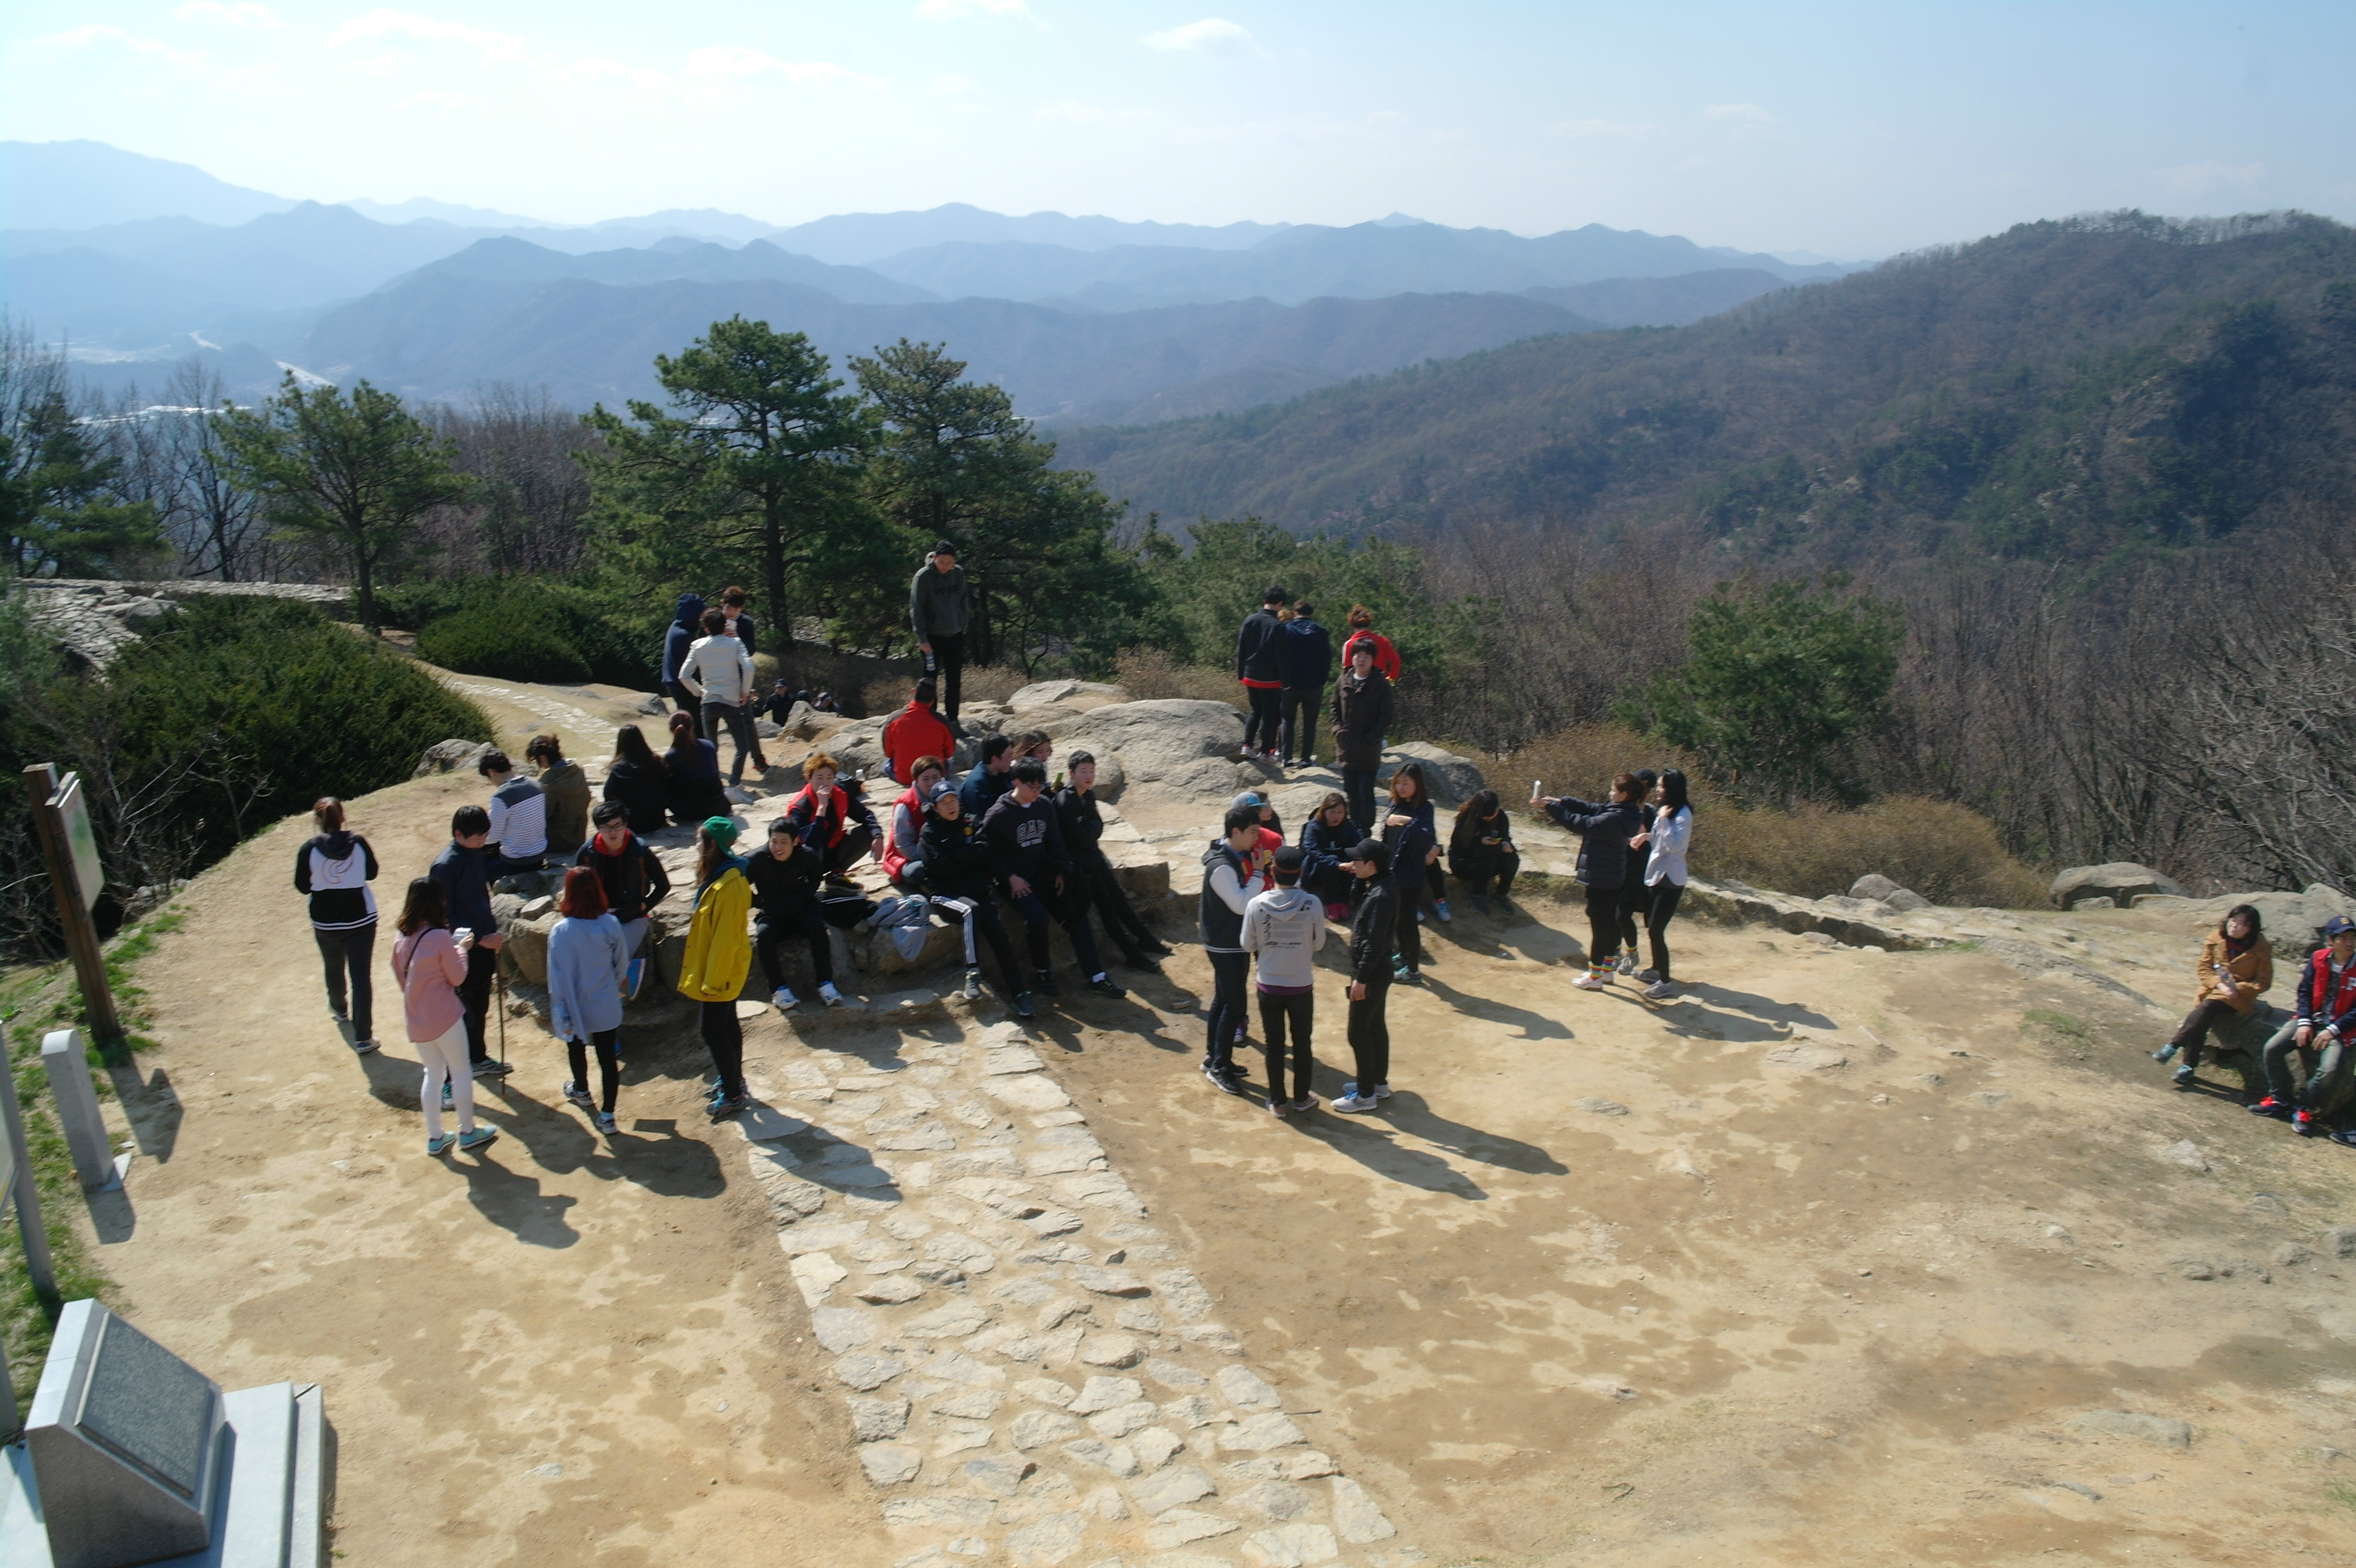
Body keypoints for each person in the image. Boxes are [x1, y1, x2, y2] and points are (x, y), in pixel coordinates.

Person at [982, 758, 1124, 1000]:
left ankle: (1097, 978)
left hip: (1045, 875)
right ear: (1017, 783)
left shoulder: (1045, 806)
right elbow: (986, 852)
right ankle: (1042, 972)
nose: (1038, 793)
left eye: (1040, 787)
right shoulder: (998, 815)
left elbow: (1056, 843)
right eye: (1032, 788)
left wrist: (1060, 869)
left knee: (1078, 916)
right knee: (1037, 918)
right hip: (1016, 882)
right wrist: (1009, 878)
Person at [389, 876, 497, 1157]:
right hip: (446, 1017)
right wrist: (462, 949)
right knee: (461, 1072)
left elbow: (402, 978)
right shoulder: (439, 937)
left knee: (432, 1075)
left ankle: (436, 1137)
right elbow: (459, 977)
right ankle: (468, 1131)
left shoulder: (401, 937)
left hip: (416, 1018)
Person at [1054, 751, 1169, 971]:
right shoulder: (1065, 801)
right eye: (1083, 772)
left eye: (1092, 771)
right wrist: (1090, 830)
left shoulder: (1087, 795)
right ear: (1071, 774)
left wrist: (1088, 829)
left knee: (1119, 899)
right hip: (1081, 866)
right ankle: (1133, 955)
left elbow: (1097, 827)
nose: (1089, 776)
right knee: (1107, 909)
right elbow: (1079, 837)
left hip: (1094, 857)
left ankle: (1145, 939)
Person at [920, 788, 1028, 1014]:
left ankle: (1020, 994)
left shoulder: (971, 821)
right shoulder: (929, 832)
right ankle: (973, 973)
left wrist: (956, 854)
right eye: (944, 802)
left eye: (953, 800)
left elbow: (985, 850)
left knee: (1000, 937)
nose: (951, 806)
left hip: (977, 890)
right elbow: (941, 868)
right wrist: (968, 855)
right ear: (935, 807)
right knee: (971, 911)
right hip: (946, 895)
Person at [678, 817, 754, 1120]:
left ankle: (734, 1094)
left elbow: (725, 940)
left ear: (713, 846)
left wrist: (713, 982)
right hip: (717, 970)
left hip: (720, 973)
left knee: (711, 1030)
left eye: (700, 840)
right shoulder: (721, 878)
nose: (696, 846)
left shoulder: (730, 886)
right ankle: (733, 1079)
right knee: (727, 1025)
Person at [1541, 774, 1647, 990]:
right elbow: (1592, 808)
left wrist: (1554, 810)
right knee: (1608, 923)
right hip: (1611, 876)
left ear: (1624, 794)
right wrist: (1561, 802)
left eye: (1613, 791)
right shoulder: (1625, 812)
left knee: (1600, 927)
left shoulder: (1616, 818)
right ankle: (1606, 972)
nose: (1610, 794)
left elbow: (1582, 824)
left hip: (1602, 877)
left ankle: (1595, 975)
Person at [427, 805, 511, 1080]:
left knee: (480, 1004)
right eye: (476, 838)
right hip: (463, 949)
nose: (482, 843)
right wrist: (477, 942)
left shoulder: (475, 855)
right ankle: (460, 1065)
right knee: (464, 1008)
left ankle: (478, 1057)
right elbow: (442, 916)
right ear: (458, 834)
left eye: (485, 837)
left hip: (486, 941)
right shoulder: (445, 865)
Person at [2252, 914, 2356, 1134]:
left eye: (2353, 937)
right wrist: (2305, 1022)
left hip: (2341, 1030)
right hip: (2312, 1020)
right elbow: (2305, 992)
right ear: (2330, 941)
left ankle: (2304, 1107)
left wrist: (2332, 1030)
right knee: (2273, 1047)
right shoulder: (2319, 958)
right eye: (2343, 938)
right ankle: (2280, 1099)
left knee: (2328, 1070)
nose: (2349, 943)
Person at [1243, 846, 1327, 1116]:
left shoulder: (1256, 904)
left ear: (1272, 871)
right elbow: (1320, 943)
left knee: (1274, 1044)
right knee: (1303, 1042)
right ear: (1300, 873)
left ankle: (1278, 1101)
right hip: (1301, 984)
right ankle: (1302, 1098)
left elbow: (1247, 944)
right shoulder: (1313, 903)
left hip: (1268, 983)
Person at [546, 866, 630, 1137]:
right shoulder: (610, 924)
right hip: (605, 1002)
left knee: (576, 1047)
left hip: (573, 1003)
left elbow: (555, 975)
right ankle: (608, 1115)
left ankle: (581, 1089)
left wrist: (561, 1007)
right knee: (608, 1059)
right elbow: (621, 965)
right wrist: (612, 986)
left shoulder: (560, 932)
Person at [295, 795, 380, 1054]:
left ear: (318, 821)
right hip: (361, 919)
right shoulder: (359, 843)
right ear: (343, 817)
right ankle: (364, 1038)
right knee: (361, 977)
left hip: (325, 920)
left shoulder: (309, 849)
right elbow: (372, 873)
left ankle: (340, 1009)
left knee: (333, 966)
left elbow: (302, 886)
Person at [2156, 904, 2273, 1089]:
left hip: (2238, 997)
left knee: (2207, 1008)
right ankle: (2187, 1067)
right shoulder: (2216, 938)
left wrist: (2238, 987)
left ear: (2251, 929)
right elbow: (2204, 969)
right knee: (2204, 1013)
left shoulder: (2261, 948)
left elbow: (2264, 982)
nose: (2234, 926)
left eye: (2242, 924)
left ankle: (2175, 1046)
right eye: (2232, 921)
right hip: (2213, 989)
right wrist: (2219, 984)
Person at [1200, 803, 1273, 1094]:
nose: (1258, 837)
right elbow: (1241, 905)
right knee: (1235, 1006)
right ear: (1236, 832)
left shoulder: (1230, 856)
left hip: (1229, 942)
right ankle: (1220, 1067)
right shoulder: (1221, 867)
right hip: (1225, 944)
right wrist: (1257, 874)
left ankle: (1215, 1058)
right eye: (1253, 832)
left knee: (1223, 1001)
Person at [576, 800, 670, 1000]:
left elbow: (663, 886)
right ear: (598, 829)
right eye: (606, 827)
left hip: (632, 916)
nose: (613, 832)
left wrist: (644, 906)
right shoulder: (587, 854)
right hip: (598, 914)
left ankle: (608, 1000)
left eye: (617, 825)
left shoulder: (640, 851)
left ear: (626, 825)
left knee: (614, 960)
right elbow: (578, 890)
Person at [748, 814, 843, 1010]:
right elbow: (739, 885)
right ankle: (779, 989)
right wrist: (759, 902)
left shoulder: (807, 856)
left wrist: (803, 897)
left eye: (784, 842)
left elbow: (816, 878)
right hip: (773, 914)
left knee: (817, 927)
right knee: (764, 936)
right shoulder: (757, 859)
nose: (778, 848)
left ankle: (825, 983)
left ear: (796, 841)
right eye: (774, 841)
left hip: (801, 910)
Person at [1332, 839, 1398, 1115]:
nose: (1352, 863)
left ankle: (1365, 1095)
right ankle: (1378, 1083)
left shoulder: (1381, 897)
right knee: (1374, 1027)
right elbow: (1357, 905)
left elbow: (1373, 943)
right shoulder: (1382, 885)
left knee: (1358, 1032)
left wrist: (1361, 979)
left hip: (1371, 974)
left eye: (1357, 861)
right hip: (1379, 972)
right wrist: (1358, 879)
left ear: (1371, 865)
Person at [679, 607, 764, 783]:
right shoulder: (736, 644)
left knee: (711, 747)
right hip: (731, 700)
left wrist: (700, 692)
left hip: (709, 700)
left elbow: (684, 676)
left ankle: (714, 782)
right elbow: (749, 668)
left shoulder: (698, 645)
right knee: (742, 747)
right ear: (725, 625)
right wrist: (744, 692)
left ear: (706, 628)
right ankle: (734, 784)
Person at [1629, 769, 1694, 1000]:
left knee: (1656, 929)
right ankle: (1655, 970)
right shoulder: (1667, 811)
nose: (1658, 790)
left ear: (1672, 789)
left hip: (1671, 880)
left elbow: (1676, 845)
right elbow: (1659, 839)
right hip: (1657, 875)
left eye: (1662, 786)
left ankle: (1666, 983)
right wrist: (1646, 837)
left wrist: (1664, 819)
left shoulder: (1682, 815)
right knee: (1650, 923)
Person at [1381, 761, 1442, 982]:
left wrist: (1408, 822)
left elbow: (1428, 837)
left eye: (1406, 783)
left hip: (1412, 874)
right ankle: (1404, 955)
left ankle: (1414, 970)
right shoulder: (1395, 804)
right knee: (1398, 919)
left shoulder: (1425, 808)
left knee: (1408, 921)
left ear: (1418, 784)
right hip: (1393, 870)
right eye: (1398, 783)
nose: (1401, 788)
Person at [780, 752, 880, 883]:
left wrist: (878, 836)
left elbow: (865, 814)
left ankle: (836, 875)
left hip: (832, 849)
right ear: (809, 779)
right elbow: (811, 843)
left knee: (867, 833)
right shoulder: (799, 807)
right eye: (820, 778)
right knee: (813, 849)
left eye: (830, 778)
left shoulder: (839, 793)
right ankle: (811, 882)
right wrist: (822, 808)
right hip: (807, 858)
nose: (825, 783)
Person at [1332, 641, 1394, 834]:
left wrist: (1374, 736)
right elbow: (1334, 706)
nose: (1362, 659)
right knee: (1351, 791)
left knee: (1365, 792)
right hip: (1347, 747)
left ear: (1373, 660)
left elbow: (1387, 714)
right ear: (1352, 658)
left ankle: (1365, 829)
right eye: (1358, 655)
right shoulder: (1344, 680)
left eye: (1367, 656)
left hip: (1368, 748)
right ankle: (1353, 826)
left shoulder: (1380, 684)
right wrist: (1337, 729)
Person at [912, 540, 971, 721]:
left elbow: (964, 600)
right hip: (932, 638)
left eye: (950, 562)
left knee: (954, 682)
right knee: (930, 682)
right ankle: (931, 719)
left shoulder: (958, 573)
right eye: (942, 562)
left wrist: (963, 625)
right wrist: (922, 638)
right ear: (935, 558)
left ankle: (953, 720)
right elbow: (916, 608)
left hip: (955, 635)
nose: (946, 566)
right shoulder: (923, 577)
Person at [1612, 769, 1661, 971]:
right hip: (1616, 866)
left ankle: (1632, 954)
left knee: (1623, 914)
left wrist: (1646, 835)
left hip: (1639, 871)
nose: (1644, 793)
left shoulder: (1651, 813)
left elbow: (1660, 841)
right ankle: (1614, 952)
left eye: (1648, 789)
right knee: (1612, 913)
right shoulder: (1621, 809)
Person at [1277, 599, 1334, 770]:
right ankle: (1306, 759)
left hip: (1290, 684)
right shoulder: (1321, 632)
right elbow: (1327, 659)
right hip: (1314, 685)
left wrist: (1283, 679)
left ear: (1295, 613)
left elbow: (1280, 657)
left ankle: (1287, 759)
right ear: (1311, 614)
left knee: (1288, 720)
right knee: (1310, 722)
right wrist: (1322, 680)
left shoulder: (1285, 630)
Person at [1234, 584, 1289, 760]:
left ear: (1264, 600)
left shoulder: (1249, 620)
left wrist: (1241, 672)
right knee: (1270, 715)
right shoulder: (1278, 626)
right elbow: (1281, 656)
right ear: (1281, 603)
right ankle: (1266, 752)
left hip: (1250, 675)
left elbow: (1241, 649)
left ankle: (1247, 745)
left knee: (1255, 711)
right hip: (1271, 679)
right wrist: (1286, 679)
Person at [1448, 789, 1519, 917]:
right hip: (1464, 863)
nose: (1490, 818)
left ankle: (1501, 894)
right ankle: (1478, 894)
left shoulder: (1501, 817)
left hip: (1489, 857)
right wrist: (1479, 842)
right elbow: (1459, 848)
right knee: (1489, 857)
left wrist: (1506, 843)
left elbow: (1504, 835)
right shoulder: (1466, 819)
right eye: (1486, 817)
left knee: (1512, 858)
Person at [881, 755, 949, 890]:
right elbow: (904, 845)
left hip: (940, 852)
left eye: (936, 777)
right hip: (909, 857)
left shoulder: (947, 796)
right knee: (917, 872)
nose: (931, 783)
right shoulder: (906, 805)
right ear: (916, 781)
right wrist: (932, 858)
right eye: (925, 779)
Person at [479, 749, 547, 879]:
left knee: (478, 865)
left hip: (515, 862)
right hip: (539, 855)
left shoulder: (500, 797)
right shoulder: (536, 784)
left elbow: (493, 837)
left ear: (491, 773)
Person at [527, 734, 592, 857]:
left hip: (557, 841)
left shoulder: (548, 783)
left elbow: (544, 814)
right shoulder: (577, 770)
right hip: (579, 833)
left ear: (543, 758)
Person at [1299, 792, 1360, 919]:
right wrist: (1337, 865)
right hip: (1318, 868)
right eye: (1332, 812)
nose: (1336, 816)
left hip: (1343, 865)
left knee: (1351, 861)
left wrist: (1353, 862)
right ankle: (1330, 903)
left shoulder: (1348, 826)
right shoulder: (1314, 826)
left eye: (1340, 812)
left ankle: (1343, 901)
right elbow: (1312, 850)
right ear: (1325, 811)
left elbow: (1358, 844)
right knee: (1332, 860)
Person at [883, 678, 957, 785]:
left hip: (905, 777)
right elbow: (949, 753)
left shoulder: (894, 719)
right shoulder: (942, 721)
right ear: (933, 700)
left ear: (913, 692)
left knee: (886, 765)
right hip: (935, 777)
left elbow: (889, 753)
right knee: (947, 764)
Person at [662, 711, 730, 825]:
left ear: (671, 731)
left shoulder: (670, 757)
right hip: (717, 807)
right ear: (692, 727)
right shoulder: (709, 746)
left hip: (687, 812)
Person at [602, 724, 669, 835]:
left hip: (631, 824)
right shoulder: (657, 763)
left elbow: (608, 797)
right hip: (656, 820)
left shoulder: (618, 770)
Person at [660, 593, 707, 734]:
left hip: (676, 683)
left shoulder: (677, 627)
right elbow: (698, 662)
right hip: (682, 686)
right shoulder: (683, 635)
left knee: (689, 725)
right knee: (696, 727)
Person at [958, 733, 1015, 821]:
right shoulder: (977, 784)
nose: (1012, 759)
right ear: (995, 759)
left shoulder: (1004, 773)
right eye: (1009, 756)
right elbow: (986, 818)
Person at [1341, 605, 1401, 682]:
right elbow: (1396, 661)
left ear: (1352, 626)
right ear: (1369, 624)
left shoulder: (1349, 644)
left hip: (1357, 686)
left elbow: (1347, 670)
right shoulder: (1383, 641)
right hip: (1379, 684)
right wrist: (1391, 679)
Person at [716, 585, 759, 653]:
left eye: (736, 610)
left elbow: (751, 650)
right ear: (723, 604)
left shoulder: (746, 622)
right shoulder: (714, 619)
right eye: (729, 609)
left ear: (742, 608)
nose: (732, 613)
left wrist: (738, 639)